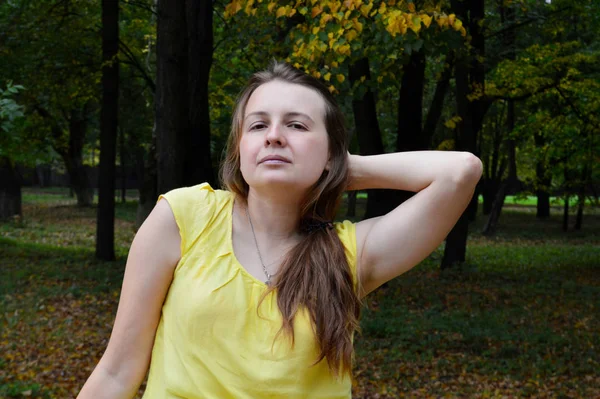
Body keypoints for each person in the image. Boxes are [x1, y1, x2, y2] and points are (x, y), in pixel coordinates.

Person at [77, 60, 482, 399]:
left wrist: (335, 167)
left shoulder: (351, 252)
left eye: (297, 126)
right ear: (239, 149)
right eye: (257, 126)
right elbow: (117, 371)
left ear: (331, 152)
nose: (273, 136)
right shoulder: (184, 217)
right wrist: (309, 157)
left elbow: (460, 172)